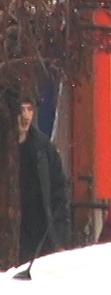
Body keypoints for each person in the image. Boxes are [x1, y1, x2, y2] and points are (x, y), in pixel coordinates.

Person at [17, 100, 69, 260]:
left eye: (30, 109)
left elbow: (59, 195)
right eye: (21, 110)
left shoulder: (44, 148)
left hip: (39, 237)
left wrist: (60, 239)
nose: (25, 116)